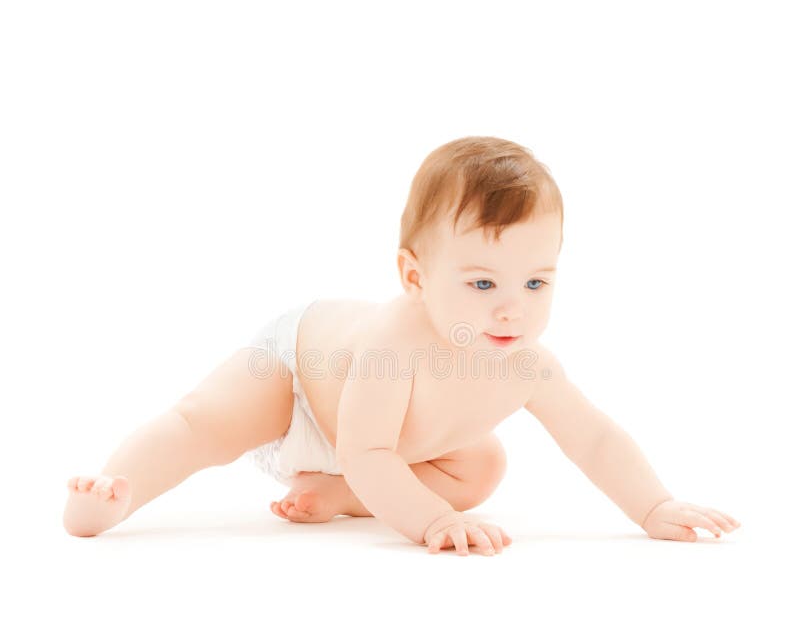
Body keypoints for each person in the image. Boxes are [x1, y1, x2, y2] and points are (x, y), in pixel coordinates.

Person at [62, 135, 741, 554]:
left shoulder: (527, 364)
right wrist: (433, 522)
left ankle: (339, 497)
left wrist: (654, 505)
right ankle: (116, 490)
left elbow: (592, 437)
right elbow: (367, 447)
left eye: (536, 281)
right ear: (414, 276)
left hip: (376, 450)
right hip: (301, 374)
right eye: (481, 282)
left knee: (482, 467)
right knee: (200, 425)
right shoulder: (395, 345)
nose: (513, 306)